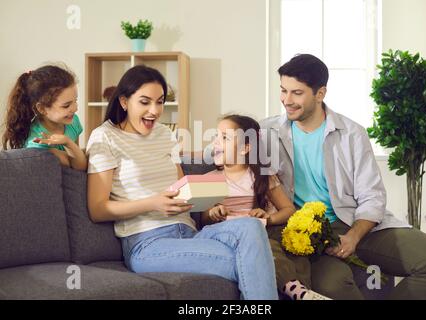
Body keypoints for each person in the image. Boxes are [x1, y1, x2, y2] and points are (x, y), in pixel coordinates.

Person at [260, 53, 426, 299]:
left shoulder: (352, 134)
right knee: (334, 286)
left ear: (320, 94)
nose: (287, 100)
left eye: (297, 93)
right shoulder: (267, 131)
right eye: (283, 91)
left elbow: (372, 195)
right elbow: (221, 150)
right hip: (308, 234)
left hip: (356, 221)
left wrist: (354, 236)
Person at [86, 65, 278, 300]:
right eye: (145, 102)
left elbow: (182, 188)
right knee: (252, 259)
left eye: (160, 102)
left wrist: (201, 201)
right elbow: (97, 209)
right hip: (148, 243)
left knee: (251, 226)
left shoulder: (165, 135)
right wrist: (153, 203)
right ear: (124, 102)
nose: (154, 111)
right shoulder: (104, 136)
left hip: (190, 233)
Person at [201, 114, 330, 300]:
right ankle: (297, 291)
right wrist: (212, 213)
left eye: (225, 138)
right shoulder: (209, 179)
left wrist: (268, 218)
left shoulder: (261, 176)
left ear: (246, 148)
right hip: (228, 236)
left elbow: (288, 209)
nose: (216, 142)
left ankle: (302, 290)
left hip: (261, 229)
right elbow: (203, 218)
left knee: (293, 251)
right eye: (216, 136)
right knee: (265, 247)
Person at [2, 65, 87, 170]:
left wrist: (71, 146)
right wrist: (68, 143)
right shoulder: (37, 142)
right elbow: (79, 166)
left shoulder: (73, 121)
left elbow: (78, 160)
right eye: (66, 106)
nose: (75, 108)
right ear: (42, 108)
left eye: (76, 101)